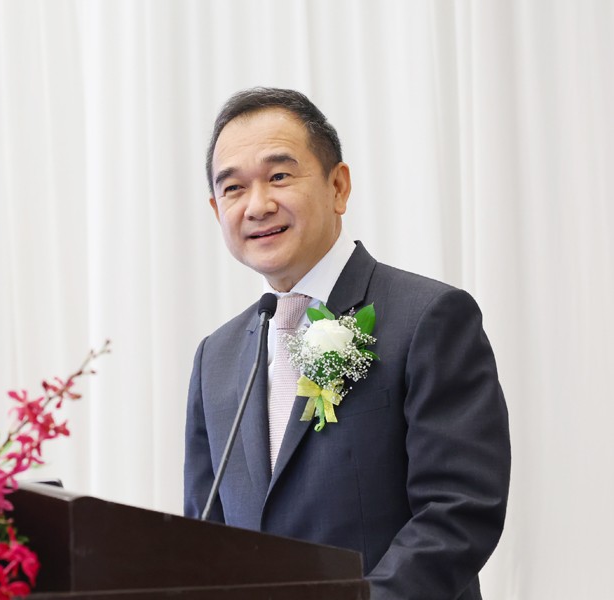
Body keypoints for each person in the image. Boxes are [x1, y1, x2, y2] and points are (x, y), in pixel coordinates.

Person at [184, 87, 510, 600]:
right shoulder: (216, 358)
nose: (258, 205)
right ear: (215, 208)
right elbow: (202, 538)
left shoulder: (428, 317)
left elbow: (458, 512)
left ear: (338, 186)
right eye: (233, 188)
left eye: (279, 176)